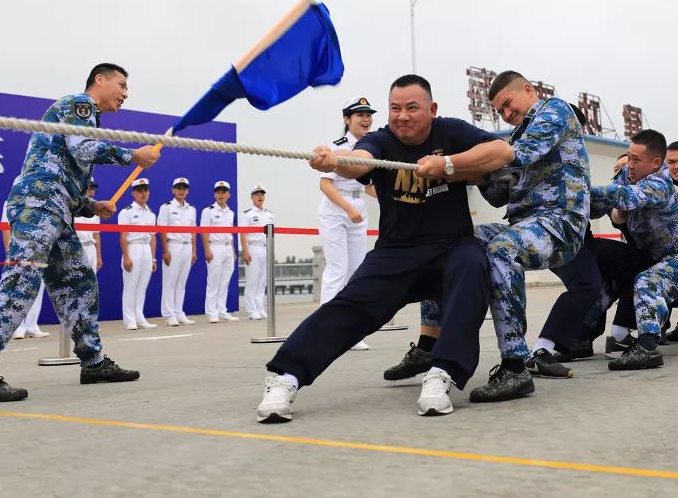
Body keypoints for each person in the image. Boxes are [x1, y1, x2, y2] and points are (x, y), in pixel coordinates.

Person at [255, 75, 512, 422]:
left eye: (411, 108)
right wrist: (334, 160)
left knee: (473, 265)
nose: (402, 116)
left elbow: (502, 151)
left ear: (432, 110)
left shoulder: (450, 132)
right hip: (396, 252)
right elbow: (360, 160)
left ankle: (443, 373)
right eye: (395, 109)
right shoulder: (382, 140)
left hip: (451, 247)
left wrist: (449, 164)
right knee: (350, 304)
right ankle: (286, 376)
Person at [0, 63, 159, 402]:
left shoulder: (88, 119)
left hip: (56, 210)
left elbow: (62, 173)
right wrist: (132, 155)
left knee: (79, 279)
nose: (126, 94)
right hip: (38, 207)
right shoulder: (79, 105)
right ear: (101, 80)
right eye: (122, 85)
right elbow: (81, 149)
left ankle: (94, 363)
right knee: (21, 280)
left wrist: (90, 206)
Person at [467, 72, 589, 402]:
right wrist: (474, 175)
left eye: (508, 104)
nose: (506, 114)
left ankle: (515, 366)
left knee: (502, 250)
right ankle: (435, 343)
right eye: (500, 111)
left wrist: (452, 162)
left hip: (560, 222)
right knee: (461, 240)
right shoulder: (515, 137)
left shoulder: (555, 111)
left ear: (529, 90)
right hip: (525, 224)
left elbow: (518, 154)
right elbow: (497, 194)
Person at [584, 129, 678, 369]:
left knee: (648, 281)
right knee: (604, 279)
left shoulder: (659, 183)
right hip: (654, 257)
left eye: (636, 160)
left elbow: (623, 197)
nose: (629, 165)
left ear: (656, 163)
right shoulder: (627, 174)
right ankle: (575, 338)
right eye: (628, 157)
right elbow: (602, 204)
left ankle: (647, 348)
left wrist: (576, 192)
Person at [318, 96, 378, 350]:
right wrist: (347, 208)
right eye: (360, 115)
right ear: (347, 119)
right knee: (337, 269)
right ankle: (324, 329)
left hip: (357, 207)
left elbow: (371, 187)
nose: (366, 119)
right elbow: (325, 184)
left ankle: (351, 331)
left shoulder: (371, 148)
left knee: (356, 271)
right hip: (336, 209)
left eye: (368, 114)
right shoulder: (336, 147)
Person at [3, 198, 50, 340]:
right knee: (19, 289)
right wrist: (8, 251)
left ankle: (31, 325)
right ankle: (16, 327)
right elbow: (5, 227)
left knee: (38, 288)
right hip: (19, 248)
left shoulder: (44, 201)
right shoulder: (12, 200)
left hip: (39, 249)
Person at [117, 178, 158, 330]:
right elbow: (123, 236)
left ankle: (140, 317)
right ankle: (130, 320)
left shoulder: (151, 214)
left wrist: (153, 258)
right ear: (133, 193)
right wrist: (126, 256)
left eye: (145, 190)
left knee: (142, 286)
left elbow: (153, 237)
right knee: (130, 285)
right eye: (140, 190)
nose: (143, 193)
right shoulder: (126, 211)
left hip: (146, 248)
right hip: (132, 247)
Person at [158, 177, 198, 326]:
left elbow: (193, 231)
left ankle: (179, 311)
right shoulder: (166, 207)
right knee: (169, 281)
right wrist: (165, 251)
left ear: (187, 191)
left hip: (187, 246)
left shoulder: (192, 209)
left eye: (184, 188)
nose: (181, 190)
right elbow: (161, 229)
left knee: (182, 282)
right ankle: (169, 315)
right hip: (173, 245)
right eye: (178, 188)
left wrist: (194, 250)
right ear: (173, 190)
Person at [201, 181, 238, 323]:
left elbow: (231, 233)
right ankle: (211, 312)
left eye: (224, 192)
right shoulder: (208, 211)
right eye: (218, 192)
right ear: (214, 194)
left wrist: (233, 251)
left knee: (224, 281)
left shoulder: (230, 212)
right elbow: (204, 232)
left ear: (229, 194)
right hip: (214, 247)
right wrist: (207, 249)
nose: (221, 194)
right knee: (213, 281)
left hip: (228, 247)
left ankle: (222, 310)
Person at [240, 185, 275, 321]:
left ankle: (260, 307)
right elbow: (243, 233)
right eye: (256, 194)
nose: (259, 196)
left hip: (266, 247)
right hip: (253, 248)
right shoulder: (247, 214)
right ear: (251, 197)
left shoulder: (269, 214)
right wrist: (245, 251)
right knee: (252, 280)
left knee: (262, 281)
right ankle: (251, 309)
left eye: (261, 194)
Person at [76, 181, 103, 273]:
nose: (91, 191)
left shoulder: (96, 212)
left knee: (91, 283)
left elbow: (96, 236)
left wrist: (98, 256)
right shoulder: (72, 208)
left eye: (93, 189)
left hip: (91, 249)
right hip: (78, 248)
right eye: (88, 189)